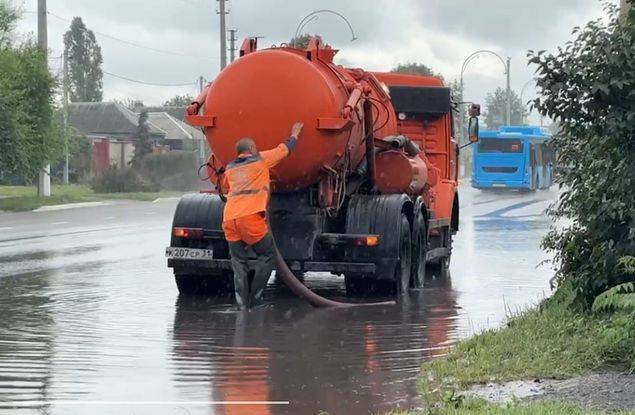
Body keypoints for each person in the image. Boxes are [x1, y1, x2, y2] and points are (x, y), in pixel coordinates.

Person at [222, 122, 304, 309]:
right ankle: (256, 299)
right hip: (250, 217)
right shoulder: (260, 160)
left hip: (229, 219)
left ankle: (241, 304)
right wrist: (295, 134)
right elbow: (283, 150)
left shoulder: (230, 168)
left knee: (238, 262)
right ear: (251, 148)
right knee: (266, 255)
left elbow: (227, 186)